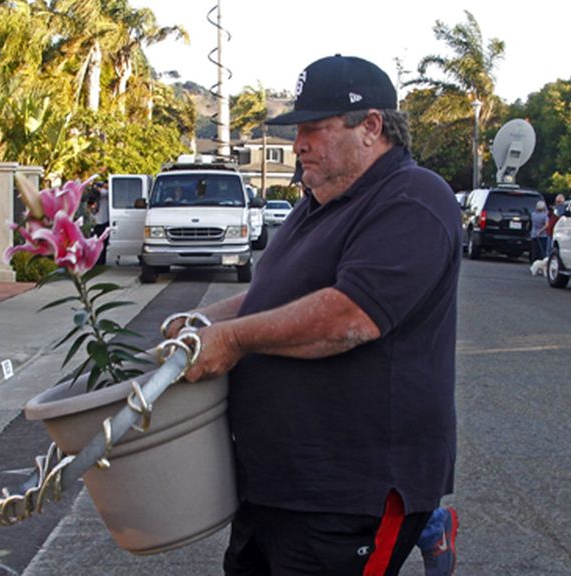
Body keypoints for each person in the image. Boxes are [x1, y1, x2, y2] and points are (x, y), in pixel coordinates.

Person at [164, 55, 461, 576]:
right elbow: (271, 297)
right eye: (297, 130)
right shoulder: (317, 203)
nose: (299, 143)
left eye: (313, 129)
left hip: (350, 497)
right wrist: (205, 322)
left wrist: (232, 342)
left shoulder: (413, 199)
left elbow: (351, 316)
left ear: (371, 127)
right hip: (273, 489)